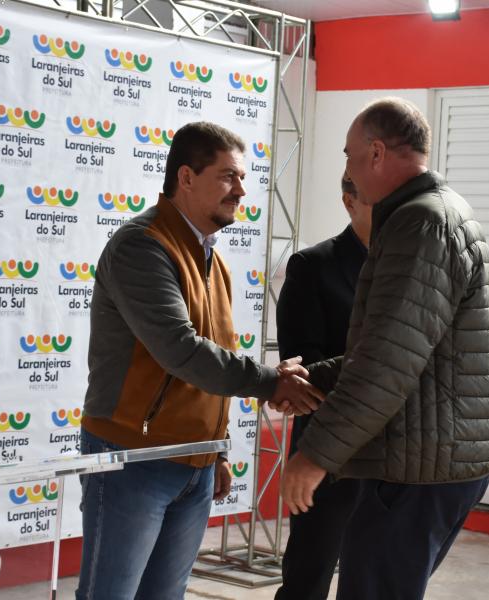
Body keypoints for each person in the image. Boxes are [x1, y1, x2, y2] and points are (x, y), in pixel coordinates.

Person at [76, 121, 323, 600]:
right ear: (186, 177)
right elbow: (181, 350)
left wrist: (217, 451)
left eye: (242, 178)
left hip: (196, 463)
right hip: (133, 458)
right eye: (228, 177)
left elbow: (216, 357)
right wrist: (272, 382)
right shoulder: (141, 247)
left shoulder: (213, 258)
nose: (241, 191)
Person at [282, 98, 489, 600]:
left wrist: (314, 455)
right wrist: (311, 378)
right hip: (431, 457)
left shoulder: (420, 224)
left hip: (419, 466)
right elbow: (399, 348)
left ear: (377, 152)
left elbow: (386, 363)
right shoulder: (437, 213)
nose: (348, 170)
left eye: (349, 156)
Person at [274, 173, 371, 600]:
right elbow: (305, 374)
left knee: (374, 579)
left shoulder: (406, 269)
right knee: (308, 579)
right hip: (326, 452)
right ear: (349, 202)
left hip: (394, 456)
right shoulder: (313, 266)